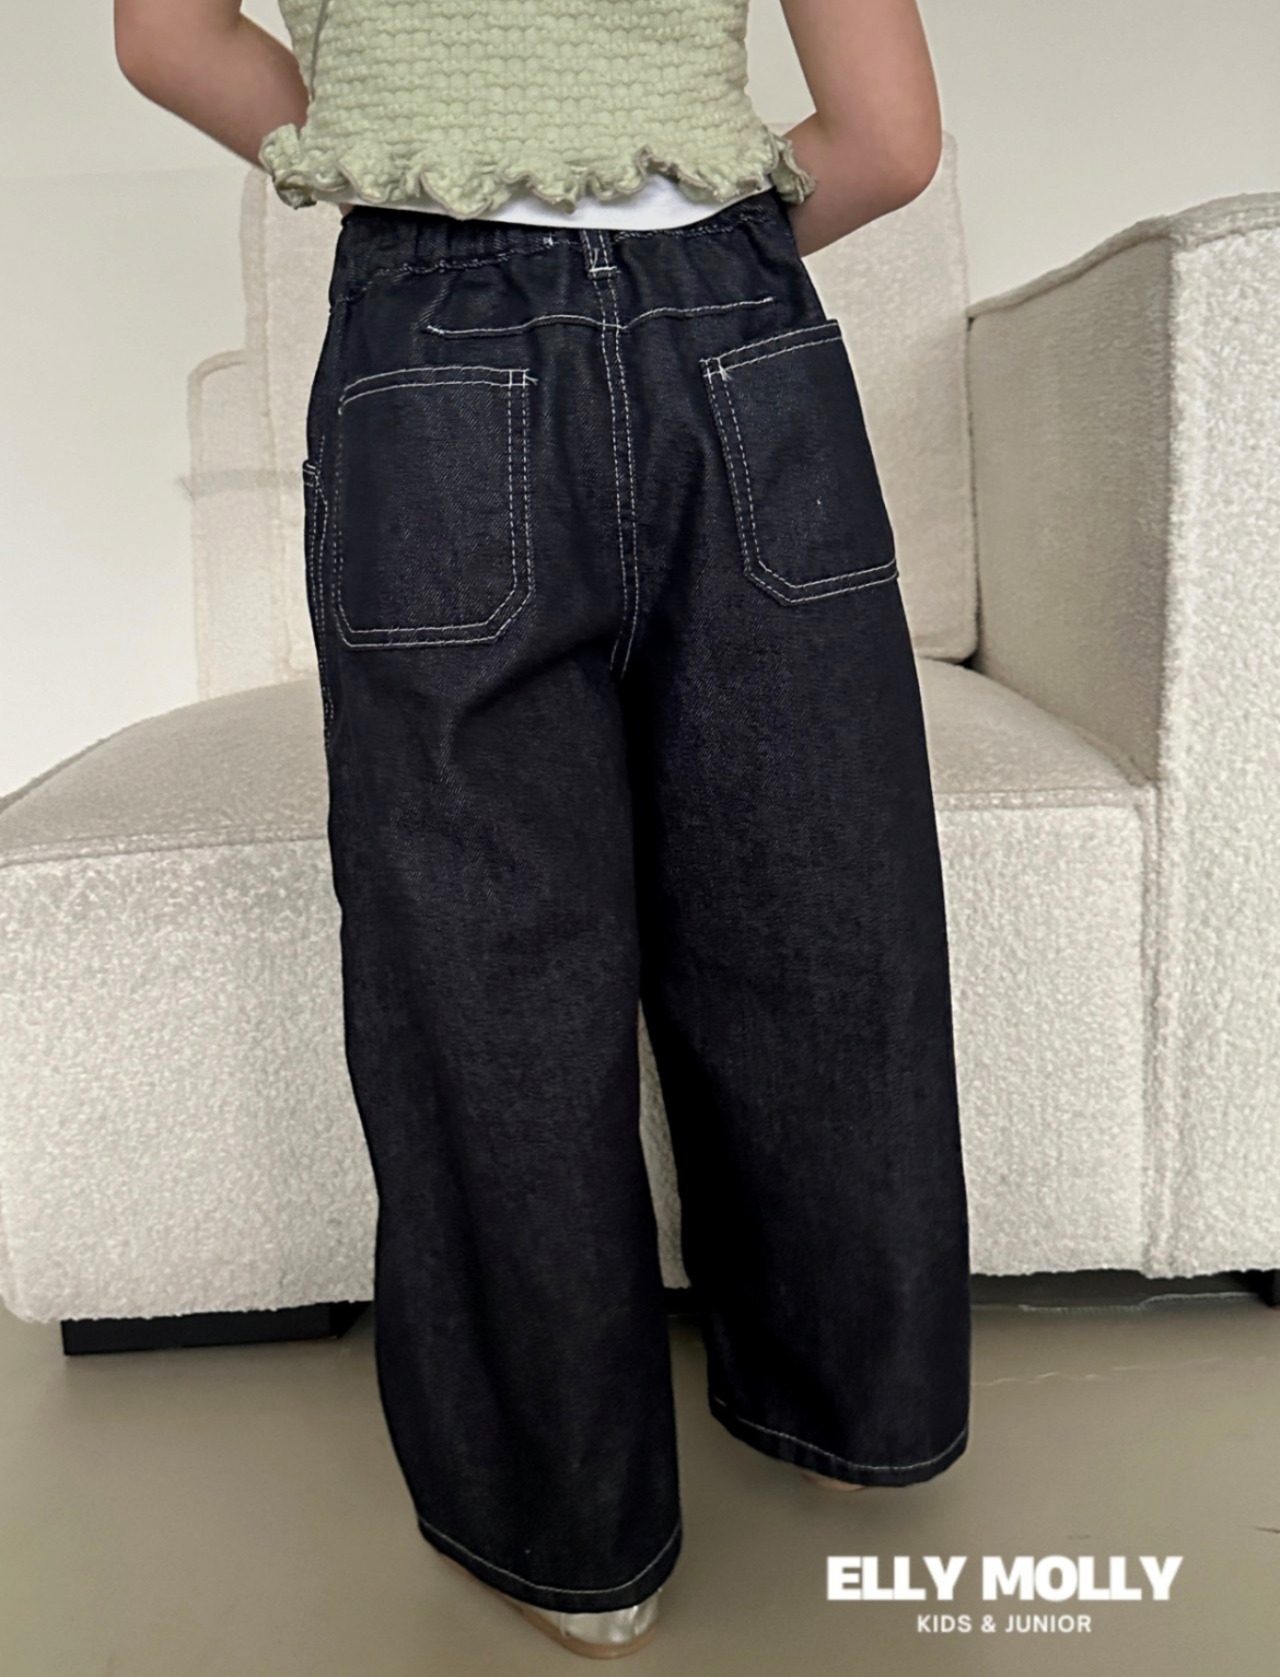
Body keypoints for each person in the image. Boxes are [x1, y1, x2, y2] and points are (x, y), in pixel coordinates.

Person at [115, 0, 972, 1658]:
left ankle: (571, 1534)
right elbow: (888, 140)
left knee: (482, 959)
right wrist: (685, 253)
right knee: (813, 894)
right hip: (741, 336)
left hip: (434, 341)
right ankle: (845, 1400)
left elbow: (164, 38)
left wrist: (403, 151)